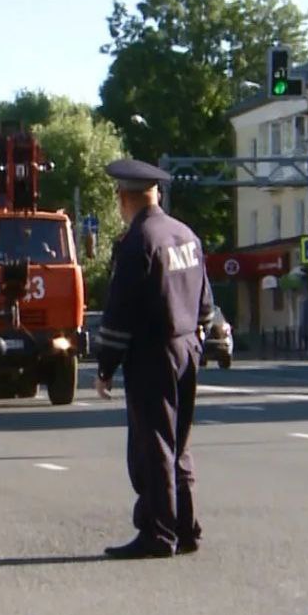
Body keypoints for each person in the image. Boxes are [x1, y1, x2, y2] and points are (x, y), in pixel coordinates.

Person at [94, 159, 214, 560]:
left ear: (123, 198)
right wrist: (205, 338)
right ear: (155, 194)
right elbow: (205, 302)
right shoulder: (186, 235)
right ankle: (187, 527)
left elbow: (120, 310)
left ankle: (158, 533)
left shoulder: (138, 241)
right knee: (179, 441)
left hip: (152, 353)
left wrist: (105, 366)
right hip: (187, 347)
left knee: (154, 445)